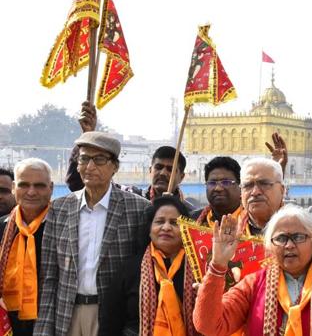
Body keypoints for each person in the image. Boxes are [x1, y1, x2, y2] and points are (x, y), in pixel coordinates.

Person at [35, 132, 151, 336]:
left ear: (115, 167)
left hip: (113, 315)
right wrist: (43, 330)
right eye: (84, 159)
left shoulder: (138, 209)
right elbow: (50, 277)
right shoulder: (59, 209)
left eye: (99, 160)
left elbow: (143, 274)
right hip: (66, 314)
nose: (89, 167)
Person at [193, 204, 312, 335]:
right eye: (281, 238)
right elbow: (209, 326)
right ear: (269, 246)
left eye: (298, 237)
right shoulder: (253, 285)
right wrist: (218, 265)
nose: (289, 245)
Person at [65, 101, 194, 210]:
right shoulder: (130, 200)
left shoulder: (189, 214)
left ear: (182, 177)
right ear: (150, 170)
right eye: (159, 167)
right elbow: (82, 184)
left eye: (170, 169)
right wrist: (88, 136)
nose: (163, 173)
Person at [100, 195, 199, 336]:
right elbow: (110, 324)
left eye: (174, 223)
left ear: (186, 230)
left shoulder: (199, 269)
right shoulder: (130, 269)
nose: (166, 227)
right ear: (149, 229)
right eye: (159, 221)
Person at [0, 159, 53, 335]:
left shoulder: (63, 227)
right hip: (7, 323)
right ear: (14, 187)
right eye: (24, 185)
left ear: (51, 188)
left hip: (51, 321)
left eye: (39, 185)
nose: (31, 192)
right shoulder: (2, 228)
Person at [238, 158, 286, 236]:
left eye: (264, 184)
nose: (255, 192)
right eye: (247, 185)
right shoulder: (228, 233)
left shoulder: (301, 228)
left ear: (282, 190)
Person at [191, 156, 243, 225]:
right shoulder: (191, 221)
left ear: (240, 186)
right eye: (212, 183)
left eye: (226, 182)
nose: (218, 188)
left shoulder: (255, 221)